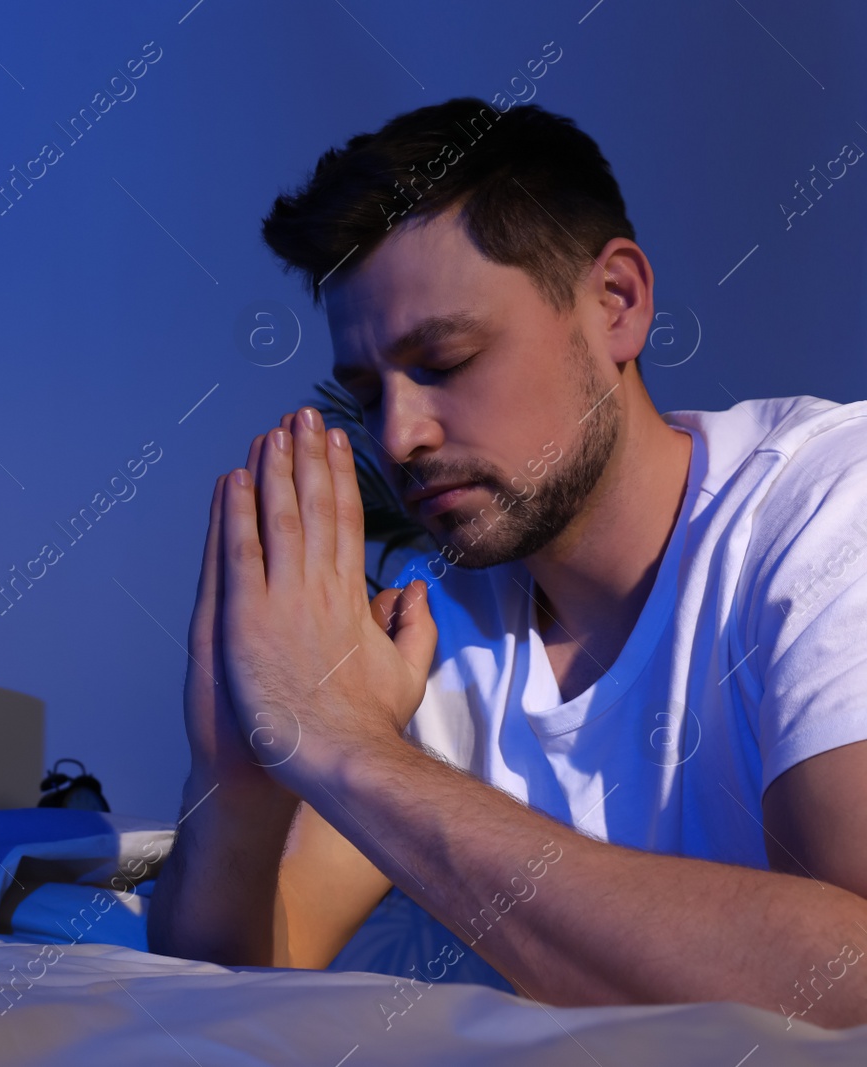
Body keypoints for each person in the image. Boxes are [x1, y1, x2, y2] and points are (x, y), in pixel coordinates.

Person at [146, 96, 867, 1031]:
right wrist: (237, 778)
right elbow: (241, 977)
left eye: (444, 361)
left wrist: (353, 749)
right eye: (367, 393)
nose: (398, 436)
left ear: (617, 304)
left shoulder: (826, 510)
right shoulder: (437, 629)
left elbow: (850, 983)